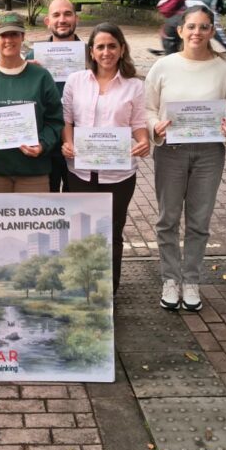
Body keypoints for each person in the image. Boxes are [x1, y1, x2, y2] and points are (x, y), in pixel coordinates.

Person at [145, 6, 226, 312]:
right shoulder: (163, 67)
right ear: (180, 31)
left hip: (209, 153)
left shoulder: (225, 68)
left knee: (199, 221)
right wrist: (154, 127)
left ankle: (191, 281)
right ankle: (170, 279)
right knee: (168, 219)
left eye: (204, 27)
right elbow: (148, 109)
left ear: (212, 31)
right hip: (171, 150)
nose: (197, 33)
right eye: (191, 27)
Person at [60, 23, 150, 289]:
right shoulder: (76, 80)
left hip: (119, 175)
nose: (106, 52)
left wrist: (144, 141)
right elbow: (67, 121)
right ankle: (80, 289)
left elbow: (138, 124)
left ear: (122, 49)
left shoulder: (134, 86)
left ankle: (107, 294)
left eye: (112, 46)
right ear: (91, 51)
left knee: (112, 233)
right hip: (79, 171)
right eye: (100, 46)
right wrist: (67, 143)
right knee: (80, 233)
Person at [0, 12, 64, 193]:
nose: (9, 40)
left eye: (14, 34)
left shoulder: (41, 77)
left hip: (33, 172)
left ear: (23, 37)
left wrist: (42, 144)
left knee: (34, 221)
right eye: (3, 35)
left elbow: (55, 120)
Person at [28, 0, 83, 192]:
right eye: (56, 15)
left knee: (75, 201)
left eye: (68, 14)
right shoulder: (32, 58)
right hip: (46, 142)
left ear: (76, 19)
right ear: (47, 21)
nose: (62, 20)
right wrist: (26, 73)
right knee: (47, 201)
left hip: (80, 142)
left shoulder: (91, 56)